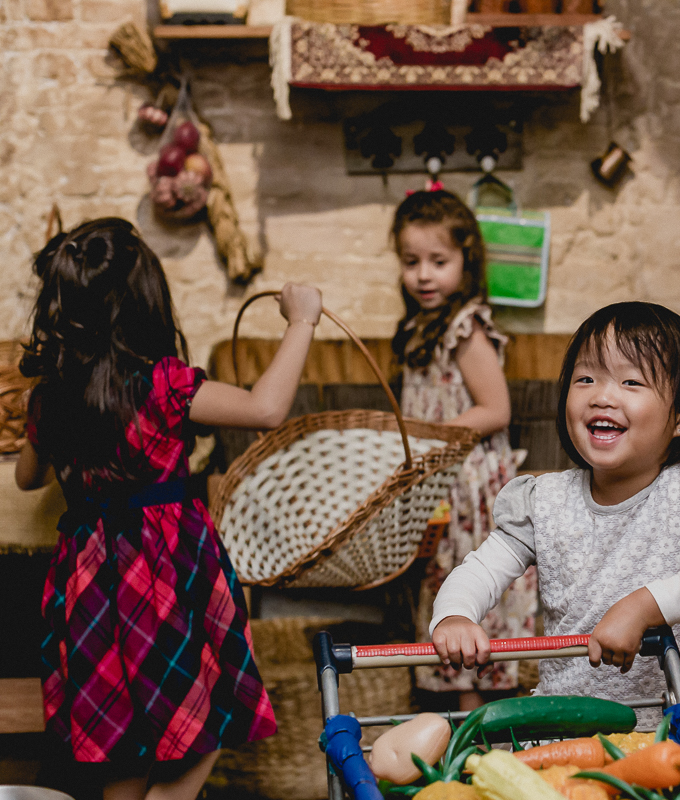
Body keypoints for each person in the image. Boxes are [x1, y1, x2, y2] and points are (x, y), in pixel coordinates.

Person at [15, 218, 323, 800]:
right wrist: (301, 320)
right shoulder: (163, 386)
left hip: (89, 584)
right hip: (165, 578)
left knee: (124, 740)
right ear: (145, 301)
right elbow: (266, 408)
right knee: (200, 718)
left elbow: (27, 479)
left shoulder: (50, 393)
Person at [429, 301, 680, 778]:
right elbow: (480, 569)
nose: (601, 396)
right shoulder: (543, 500)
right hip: (566, 738)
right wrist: (454, 615)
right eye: (585, 379)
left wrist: (643, 605)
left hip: (667, 733)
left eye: (632, 382)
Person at [390, 190, 534, 711]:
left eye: (438, 261)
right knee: (442, 587)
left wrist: (437, 435)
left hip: (471, 488)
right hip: (438, 486)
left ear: (465, 262)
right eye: (412, 262)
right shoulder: (416, 330)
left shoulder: (465, 328)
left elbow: (496, 409)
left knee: (473, 589)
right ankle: (463, 715)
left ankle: (486, 721)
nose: (424, 275)